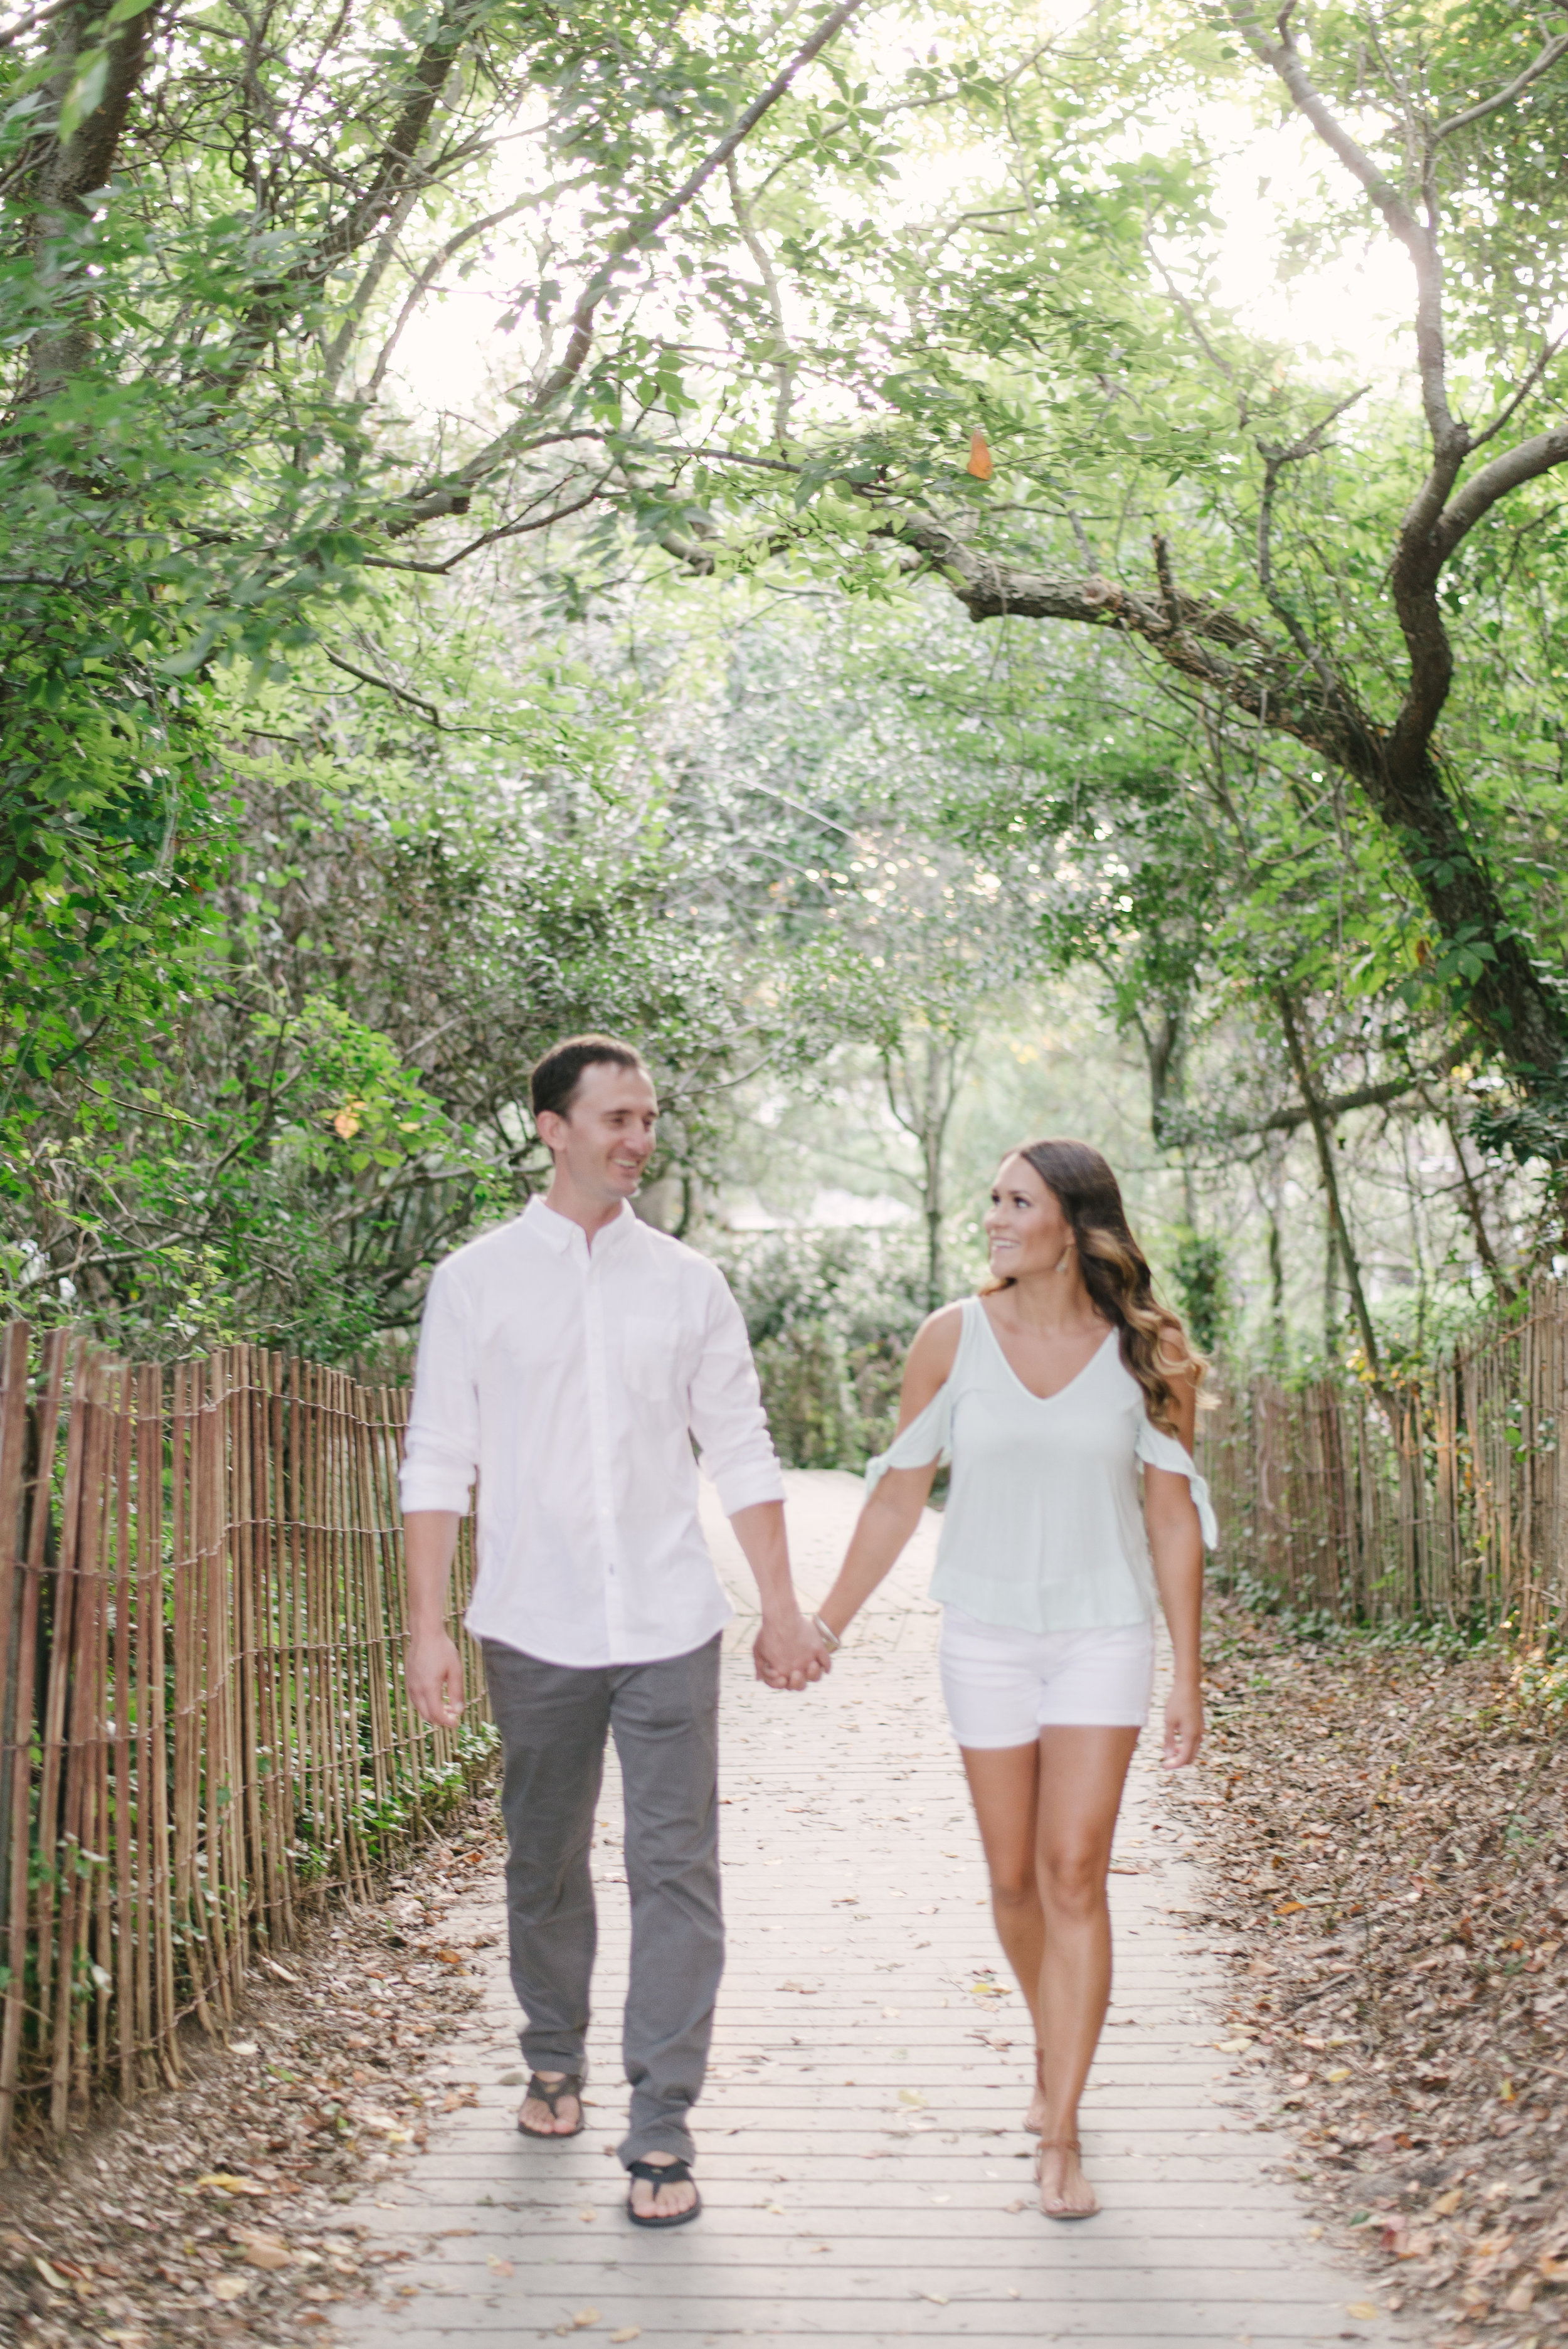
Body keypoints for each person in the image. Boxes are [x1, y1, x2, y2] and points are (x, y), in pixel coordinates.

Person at [399, 1034, 832, 2230]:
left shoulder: (688, 1283)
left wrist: (781, 1604)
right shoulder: (475, 1282)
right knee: (542, 1860)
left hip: (667, 1620)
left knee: (675, 1866)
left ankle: (662, 2121)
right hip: (529, 1624)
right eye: (617, 1119)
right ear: (552, 1127)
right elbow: (438, 1455)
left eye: (649, 1118)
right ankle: (553, 2051)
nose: (639, 1139)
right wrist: (426, 1625)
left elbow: (739, 1446)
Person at [810, 1138, 1213, 2221]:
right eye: (990, 1197)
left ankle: (1065, 2129)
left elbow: (1172, 1517)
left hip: (1104, 1635)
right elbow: (899, 1494)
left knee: (1075, 1870)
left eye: (1015, 1200)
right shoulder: (953, 1337)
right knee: (1014, 1882)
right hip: (985, 1635)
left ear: (1074, 1224)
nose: (993, 1216)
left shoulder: (1145, 1353)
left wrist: (1189, 1673)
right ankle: (1054, 2041)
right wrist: (826, 1624)